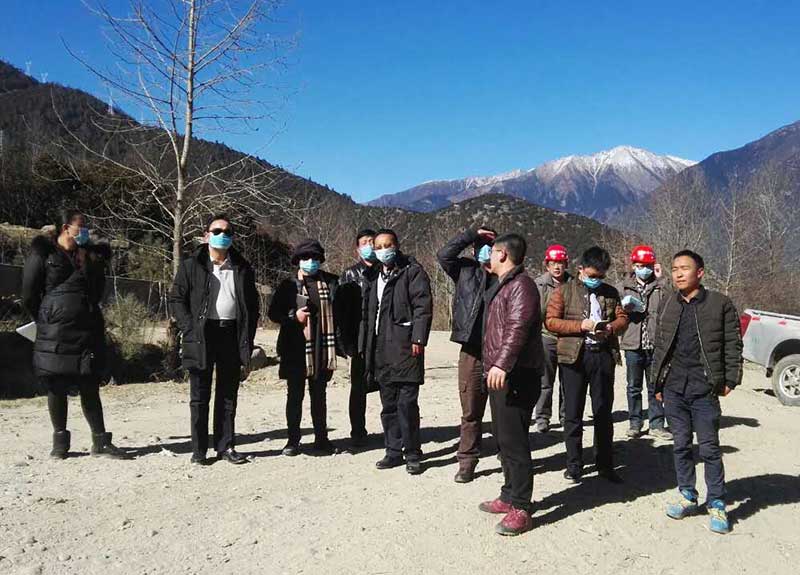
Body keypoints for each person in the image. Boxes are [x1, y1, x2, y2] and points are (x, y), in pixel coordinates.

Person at [21, 209, 125, 460]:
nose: (86, 231)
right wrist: (47, 318)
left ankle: (100, 441)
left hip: (86, 329)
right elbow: (29, 294)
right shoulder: (44, 254)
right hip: (54, 331)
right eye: (81, 225)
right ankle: (60, 444)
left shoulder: (90, 255)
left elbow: (98, 291)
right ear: (66, 227)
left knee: (89, 383)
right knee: (56, 385)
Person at [653, 250, 742, 535]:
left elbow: (732, 343)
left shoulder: (720, 304)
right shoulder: (668, 302)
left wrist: (731, 378)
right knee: (680, 445)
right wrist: (657, 383)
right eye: (674, 268)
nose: (678, 274)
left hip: (704, 388)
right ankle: (687, 495)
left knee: (709, 448)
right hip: (674, 387)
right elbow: (660, 345)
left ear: (700, 272)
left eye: (685, 268)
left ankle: (716, 501)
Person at [169, 214, 259, 465]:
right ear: (206, 235)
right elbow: (177, 299)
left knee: (228, 394)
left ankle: (225, 446)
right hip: (201, 334)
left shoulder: (242, 268)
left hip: (231, 334)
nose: (222, 235)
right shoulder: (191, 265)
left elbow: (252, 306)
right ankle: (199, 451)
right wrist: (189, 328)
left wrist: (248, 337)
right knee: (199, 395)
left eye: (227, 232)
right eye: (217, 231)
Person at [477, 233, 544, 536]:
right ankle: (508, 494)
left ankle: (521, 506)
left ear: (502, 254)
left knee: (515, 442)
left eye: (491, 252)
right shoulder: (503, 284)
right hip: (500, 374)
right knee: (503, 439)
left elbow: (517, 328)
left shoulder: (522, 286)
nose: (488, 257)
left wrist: (502, 363)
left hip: (516, 374)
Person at [546, 246, 628, 484]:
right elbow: (551, 321)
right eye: (592, 275)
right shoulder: (563, 291)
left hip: (603, 356)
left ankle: (605, 464)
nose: (596, 280)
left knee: (603, 411)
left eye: (600, 276)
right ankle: (574, 464)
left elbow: (622, 318)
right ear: (581, 269)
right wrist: (579, 326)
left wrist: (611, 327)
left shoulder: (610, 292)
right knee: (573, 413)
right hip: (573, 358)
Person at [364, 229, 432, 475]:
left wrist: (418, 337)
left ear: (397, 245)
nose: (384, 250)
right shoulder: (373, 275)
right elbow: (368, 312)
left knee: (407, 404)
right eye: (379, 246)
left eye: (388, 245)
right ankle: (393, 451)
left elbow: (422, 306)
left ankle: (412, 453)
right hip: (381, 348)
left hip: (405, 346)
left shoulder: (412, 271)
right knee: (389, 404)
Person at [268, 239, 343, 456]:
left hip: (322, 348)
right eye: (306, 257)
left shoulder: (331, 282)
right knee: (295, 396)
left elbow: (339, 312)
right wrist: (294, 316)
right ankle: (293, 440)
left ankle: (322, 438)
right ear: (298, 260)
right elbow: (273, 314)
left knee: (319, 395)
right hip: (295, 348)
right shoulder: (288, 285)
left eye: (315, 258)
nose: (311, 261)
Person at [436, 226, 497, 483]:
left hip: (500, 350)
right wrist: (472, 234)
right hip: (472, 349)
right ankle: (467, 460)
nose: (486, 250)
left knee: (503, 409)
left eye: (491, 246)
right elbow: (444, 255)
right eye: (481, 245)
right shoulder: (465, 270)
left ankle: (508, 454)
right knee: (470, 409)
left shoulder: (506, 276)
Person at [617, 245, 672, 440]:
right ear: (633, 265)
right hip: (633, 344)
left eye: (647, 266)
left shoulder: (660, 286)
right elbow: (615, 311)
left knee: (655, 386)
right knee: (633, 386)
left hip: (655, 344)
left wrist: (662, 279)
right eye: (640, 265)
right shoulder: (622, 287)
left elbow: (673, 302)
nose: (644, 269)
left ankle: (657, 424)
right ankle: (635, 423)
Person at [339, 229, 379, 448]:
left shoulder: (386, 271)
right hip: (358, 339)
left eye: (372, 241)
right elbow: (342, 313)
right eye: (364, 242)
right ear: (357, 249)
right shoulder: (349, 274)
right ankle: (358, 432)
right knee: (358, 388)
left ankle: (393, 431)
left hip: (382, 338)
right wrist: (346, 344)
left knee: (388, 387)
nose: (369, 246)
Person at [533, 244, 573, 433]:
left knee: (567, 381)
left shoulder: (574, 284)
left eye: (560, 263)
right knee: (545, 381)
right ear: (547, 264)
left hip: (569, 338)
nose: (557, 267)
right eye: (553, 263)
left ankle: (566, 417)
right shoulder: (539, 284)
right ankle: (542, 417)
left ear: (566, 264)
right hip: (546, 337)